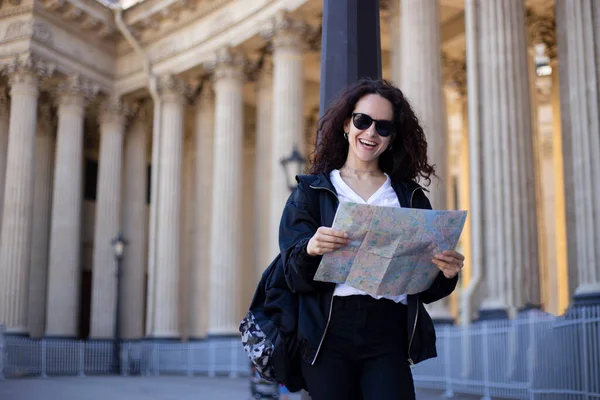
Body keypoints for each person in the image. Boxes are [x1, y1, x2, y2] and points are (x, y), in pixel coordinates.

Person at [278, 78, 465, 400]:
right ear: (346, 124)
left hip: (388, 330)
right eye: (362, 121)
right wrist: (310, 248)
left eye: (384, 127)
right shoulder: (311, 190)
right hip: (327, 331)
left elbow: (426, 287)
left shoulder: (409, 196)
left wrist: (447, 273)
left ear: (392, 138)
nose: (370, 133)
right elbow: (292, 275)